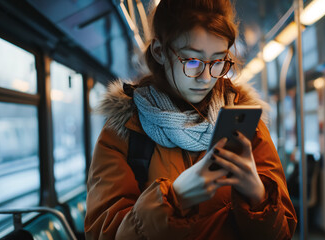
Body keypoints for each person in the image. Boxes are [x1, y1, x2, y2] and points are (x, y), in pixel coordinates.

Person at [84, 0, 297, 239]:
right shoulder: (125, 130)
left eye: (217, 61)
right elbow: (104, 234)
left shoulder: (246, 124)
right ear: (159, 52)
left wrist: (258, 195)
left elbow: (284, 233)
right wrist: (174, 199)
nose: (206, 78)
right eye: (192, 61)